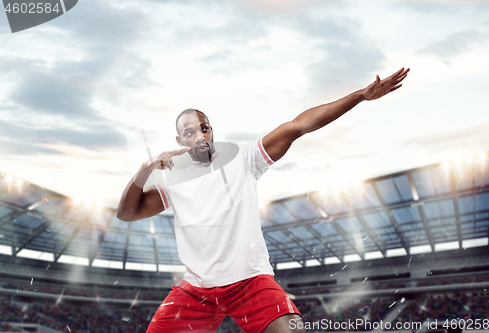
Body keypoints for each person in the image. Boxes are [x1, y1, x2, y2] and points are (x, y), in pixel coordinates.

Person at [117, 67, 410, 333]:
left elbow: (298, 126)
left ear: (211, 130)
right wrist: (145, 169)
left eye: (203, 128)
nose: (199, 136)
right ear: (180, 141)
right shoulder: (173, 181)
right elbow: (127, 213)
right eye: (189, 132)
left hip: (250, 282)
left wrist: (360, 95)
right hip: (196, 289)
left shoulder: (244, 158)